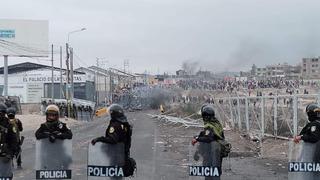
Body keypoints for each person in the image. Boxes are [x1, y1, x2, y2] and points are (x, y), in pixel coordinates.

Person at [91, 104, 135, 176]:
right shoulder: (124, 124)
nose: (110, 115)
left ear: (114, 114)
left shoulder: (115, 125)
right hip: (123, 155)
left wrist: (99, 139)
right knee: (118, 176)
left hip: (116, 155)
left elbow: (113, 139)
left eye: (111, 113)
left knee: (113, 176)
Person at [0, 103, 18, 178]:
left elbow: (13, 140)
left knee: (5, 176)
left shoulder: (9, 125)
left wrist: (10, 153)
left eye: (1, 113)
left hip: (4, 154)